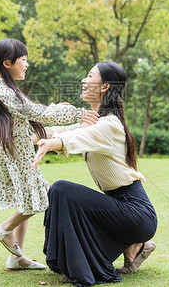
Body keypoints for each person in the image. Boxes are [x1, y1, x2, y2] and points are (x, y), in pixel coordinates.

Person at [32, 61, 158, 286]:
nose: (83, 80)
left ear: (104, 86)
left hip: (136, 211)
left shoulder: (110, 124)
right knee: (62, 192)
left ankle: (132, 243)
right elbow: (59, 131)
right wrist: (20, 137)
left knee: (62, 189)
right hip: (119, 207)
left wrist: (51, 144)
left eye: (90, 75)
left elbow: (72, 138)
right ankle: (133, 247)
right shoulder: (95, 120)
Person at [0, 39, 99, 271]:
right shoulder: (7, 93)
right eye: (23, 60)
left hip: (12, 155)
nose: (27, 65)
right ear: (7, 63)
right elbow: (38, 113)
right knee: (39, 198)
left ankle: (16, 258)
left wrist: (56, 108)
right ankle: (4, 229)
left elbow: (32, 112)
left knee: (28, 199)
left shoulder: (5, 89)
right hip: (14, 157)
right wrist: (76, 113)